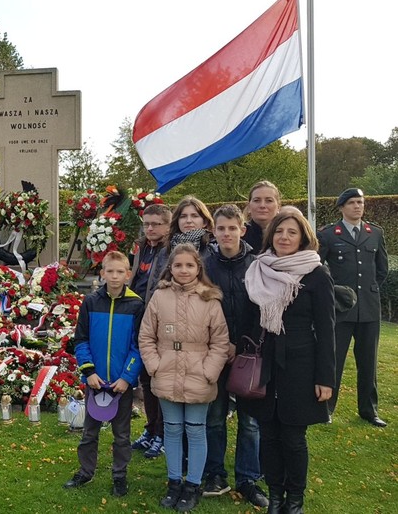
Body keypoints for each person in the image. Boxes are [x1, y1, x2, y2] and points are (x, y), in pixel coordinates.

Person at [243, 212, 336, 513]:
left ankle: (295, 499)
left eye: (291, 232)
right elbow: (248, 319)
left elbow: (326, 328)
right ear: (271, 236)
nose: (284, 237)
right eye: (279, 231)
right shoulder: (258, 269)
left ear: (303, 238)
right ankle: (276, 496)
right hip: (265, 363)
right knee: (268, 434)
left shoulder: (316, 274)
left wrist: (325, 377)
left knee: (293, 437)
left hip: (301, 364)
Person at [138, 243, 229, 512]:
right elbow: (146, 335)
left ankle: (193, 485)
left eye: (189, 265)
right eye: (178, 265)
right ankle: (174, 481)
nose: (184, 270)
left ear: (198, 268)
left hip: (199, 373)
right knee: (173, 430)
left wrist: (209, 371)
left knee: (196, 429)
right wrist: (154, 365)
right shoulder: (159, 297)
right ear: (171, 268)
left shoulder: (210, 299)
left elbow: (220, 342)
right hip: (167, 371)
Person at [202, 205, 267, 507]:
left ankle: (248, 478)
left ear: (242, 229)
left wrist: (239, 345)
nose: (227, 234)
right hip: (213, 353)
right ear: (213, 232)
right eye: (221, 228)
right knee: (214, 418)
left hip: (248, 354)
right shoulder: (204, 266)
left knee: (250, 421)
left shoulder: (257, 265)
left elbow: (263, 312)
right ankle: (215, 473)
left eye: (232, 228)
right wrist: (220, 344)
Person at [63, 251, 143, 497]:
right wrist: (89, 372)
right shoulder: (90, 302)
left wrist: (126, 378)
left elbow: (138, 346)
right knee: (89, 432)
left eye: (121, 272)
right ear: (102, 273)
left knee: (122, 435)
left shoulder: (136, 305)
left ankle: (119, 476)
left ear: (128, 274)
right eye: (110, 271)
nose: (115, 276)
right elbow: (81, 339)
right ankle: (85, 472)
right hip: (95, 382)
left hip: (121, 384)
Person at [317, 188, 388, 428]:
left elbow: (381, 269)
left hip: (369, 308)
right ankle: (326, 409)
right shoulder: (327, 234)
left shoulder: (375, 233)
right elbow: (317, 268)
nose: (358, 206)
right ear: (342, 207)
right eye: (352, 203)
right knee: (333, 360)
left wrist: (369, 291)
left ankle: (369, 410)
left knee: (368, 361)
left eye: (361, 202)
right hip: (339, 309)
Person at [127, 204, 171, 459]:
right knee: (145, 378)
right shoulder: (141, 247)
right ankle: (151, 428)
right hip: (138, 315)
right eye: (147, 224)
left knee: (159, 379)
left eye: (156, 224)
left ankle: (163, 433)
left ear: (167, 225)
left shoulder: (169, 249)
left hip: (159, 318)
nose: (151, 228)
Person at [145, 196, 214, 303]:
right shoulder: (165, 251)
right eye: (183, 216)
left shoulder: (212, 249)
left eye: (195, 216)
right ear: (177, 220)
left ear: (204, 221)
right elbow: (155, 287)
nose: (188, 221)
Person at [243, 181, 282, 253]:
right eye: (257, 200)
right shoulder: (239, 236)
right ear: (248, 206)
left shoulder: (287, 235)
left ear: (278, 207)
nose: (262, 205)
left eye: (269, 201)